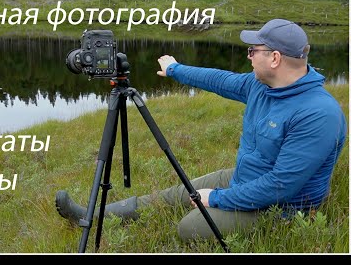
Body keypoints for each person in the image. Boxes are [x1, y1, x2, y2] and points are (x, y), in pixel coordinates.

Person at [55, 18, 347, 241]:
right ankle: (91, 215)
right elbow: (220, 80)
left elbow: (281, 185)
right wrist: (175, 70)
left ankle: (218, 208)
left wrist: (217, 198)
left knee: (190, 228)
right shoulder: (262, 85)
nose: (249, 56)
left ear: (275, 58)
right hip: (247, 177)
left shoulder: (318, 114)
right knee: (177, 193)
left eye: (253, 50)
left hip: (283, 206)